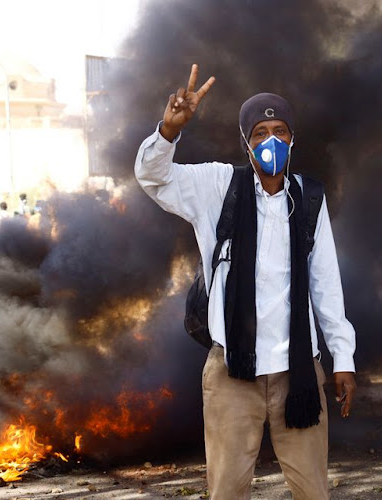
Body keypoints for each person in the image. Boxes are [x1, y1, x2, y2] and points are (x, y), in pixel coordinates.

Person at [135, 65, 356, 499]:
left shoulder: (309, 198)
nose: (270, 140)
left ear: (293, 139)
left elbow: (325, 282)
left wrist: (343, 357)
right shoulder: (218, 186)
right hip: (233, 374)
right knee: (227, 490)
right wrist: (167, 131)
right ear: (245, 141)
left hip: (298, 372)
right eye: (259, 132)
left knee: (314, 490)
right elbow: (154, 178)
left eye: (279, 131)